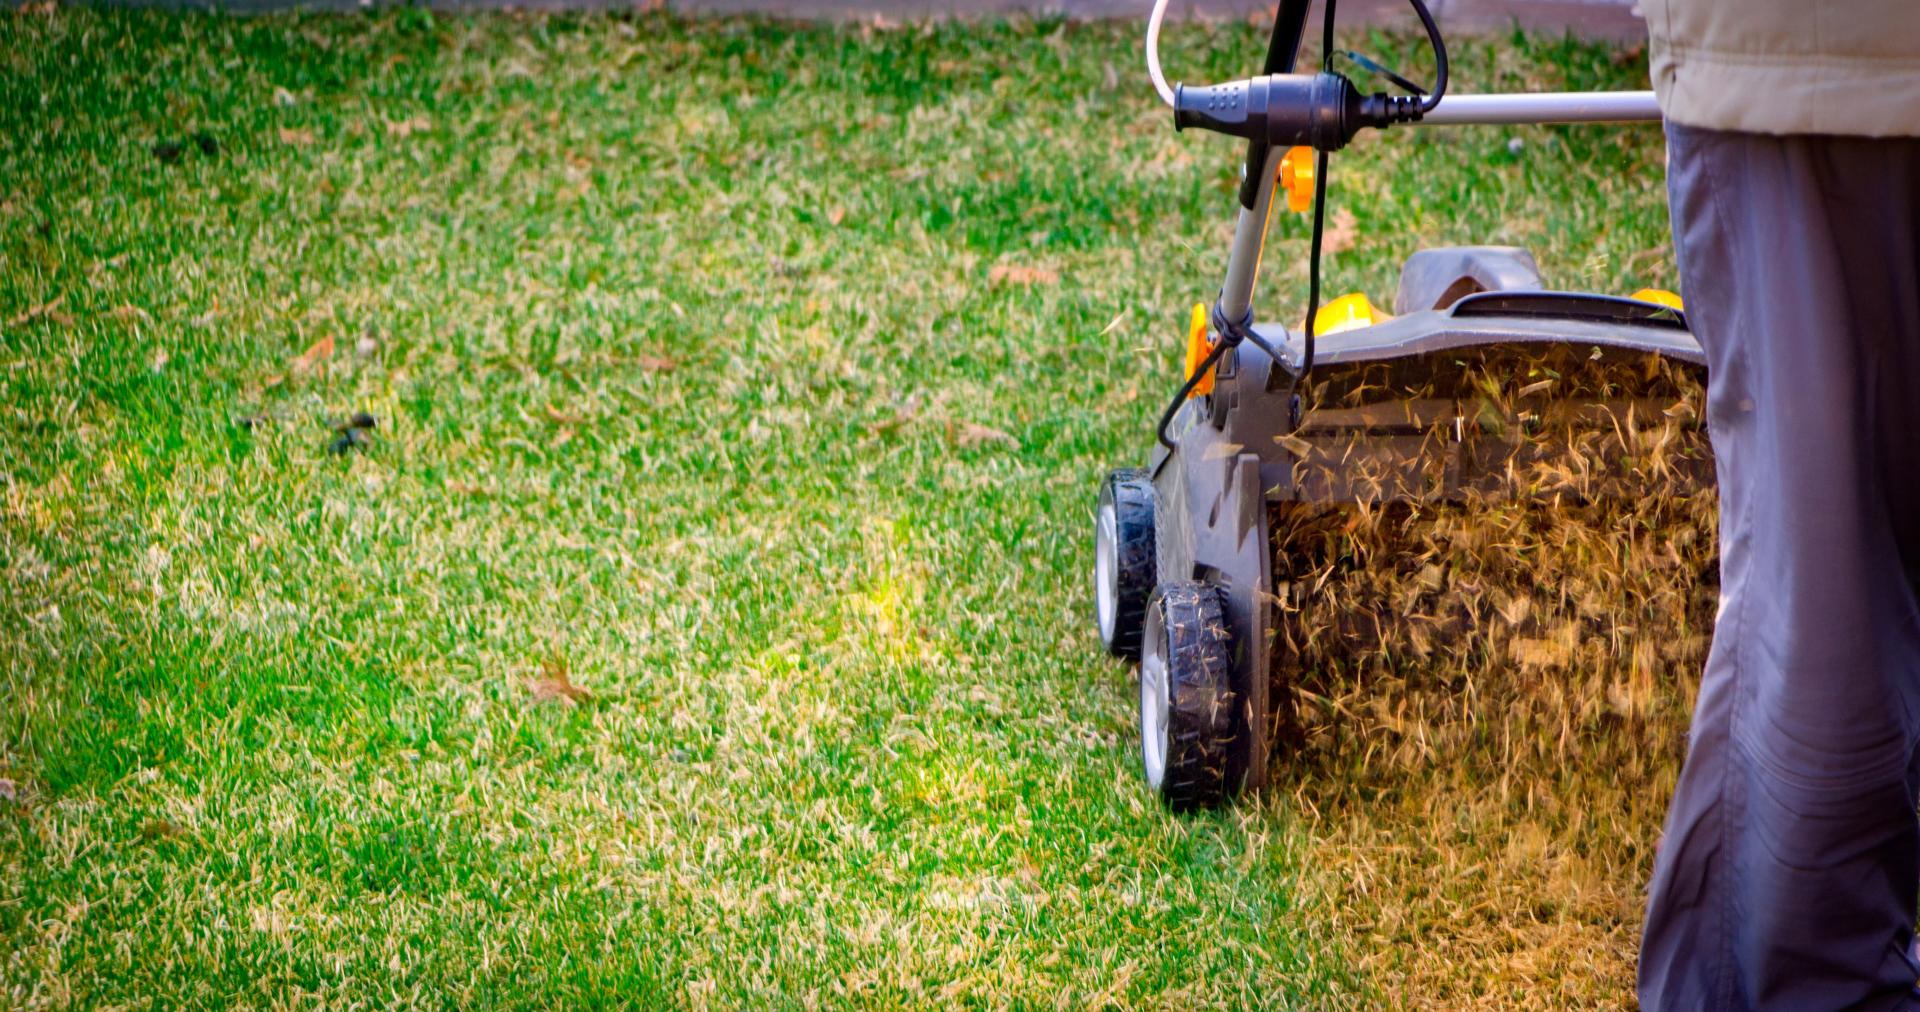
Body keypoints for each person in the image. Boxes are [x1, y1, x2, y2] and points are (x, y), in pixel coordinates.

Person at [1635, 1, 1920, 1008]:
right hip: (1833, 59)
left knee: (1823, 556)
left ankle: (1801, 979)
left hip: (1819, 58)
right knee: (1829, 566)